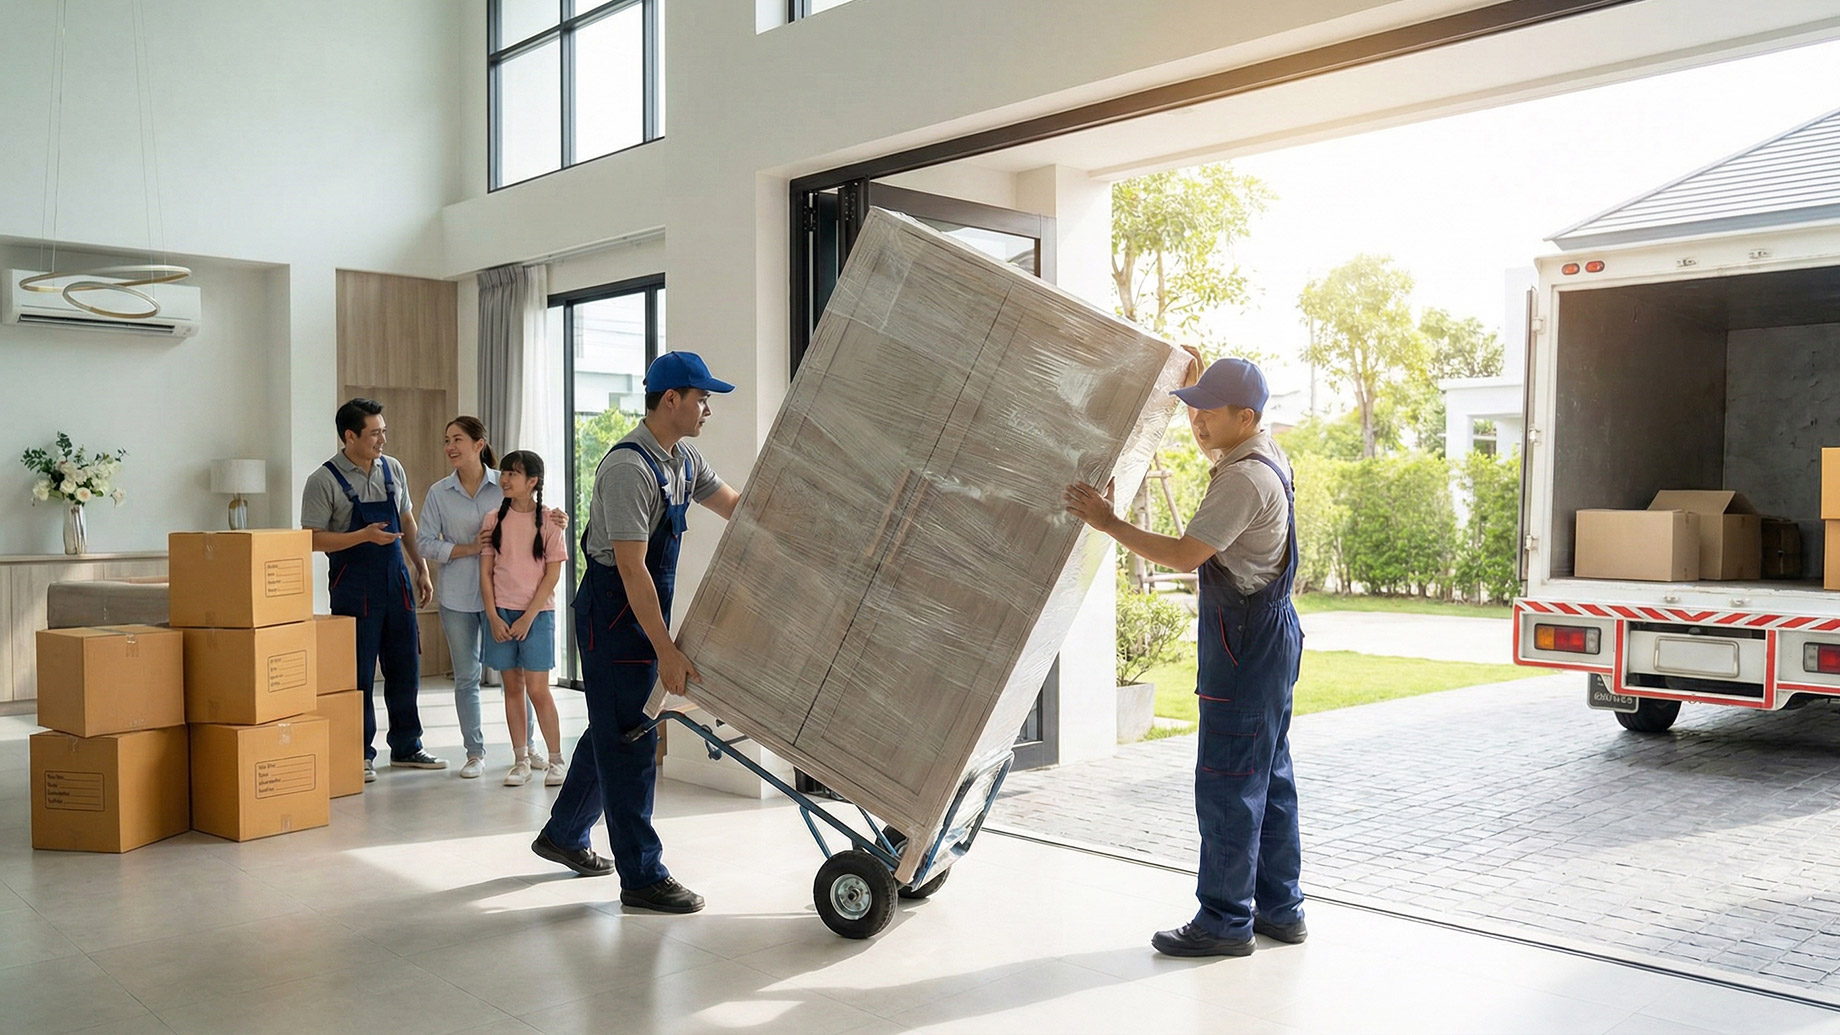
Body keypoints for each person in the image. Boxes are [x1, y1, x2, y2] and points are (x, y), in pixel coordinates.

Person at [1064, 357, 1306, 958]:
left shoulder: (1242, 479)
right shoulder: (1263, 455)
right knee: (1269, 780)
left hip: (1245, 647)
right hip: (1271, 638)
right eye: (1192, 408)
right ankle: (1281, 909)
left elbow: (1183, 554)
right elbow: (1216, 451)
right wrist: (1196, 381)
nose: (1196, 422)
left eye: (1207, 410)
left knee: (1228, 785)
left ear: (1243, 416)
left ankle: (1225, 922)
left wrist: (1107, 521)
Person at [529, 351, 741, 914]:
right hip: (614, 615)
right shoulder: (628, 467)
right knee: (632, 741)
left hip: (639, 610)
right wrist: (665, 649)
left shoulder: (683, 458)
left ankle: (565, 834)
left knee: (615, 727)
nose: (707, 410)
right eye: (702, 398)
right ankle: (642, 876)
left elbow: (735, 507)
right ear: (670, 399)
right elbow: (631, 568)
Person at [301, 398, 447, 780]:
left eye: (383, 430)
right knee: (359, 674)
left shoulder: (392, 468)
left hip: (396, 580)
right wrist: (361, 536)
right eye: (374, 433)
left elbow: (407, 520)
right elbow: (312, 539)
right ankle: (359, 753)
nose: (382, 439)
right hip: (354, 586)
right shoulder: (324, 480)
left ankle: (407, 746)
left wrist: (422, 567)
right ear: (350, 436)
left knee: (405, 666)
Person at [418, 417, 564, 779]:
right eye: (446, 439)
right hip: (460, 595)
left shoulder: (505, 482)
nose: (451, 446)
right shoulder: (440, 493)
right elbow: (422, 542)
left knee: (520, 681)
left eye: (458, 439)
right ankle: (475, 753)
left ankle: (528, 749)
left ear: (479, 444)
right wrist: (467, 548)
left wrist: (557, 517)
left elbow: (538, 510)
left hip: (510, 601)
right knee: (468, 677)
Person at [480, 450, 568, 788]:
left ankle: (557, 760)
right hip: (501, 613)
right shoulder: (492, 520)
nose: (504, 479)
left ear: (532, 481)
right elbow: (485, 572)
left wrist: (528, 617)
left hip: (538, 615)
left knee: (538, 690)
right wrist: (492, 616)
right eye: (503, 473)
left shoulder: (550, 521)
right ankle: (521, 760)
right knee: (511, 688)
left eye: (513, 474)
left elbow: (552, 574)